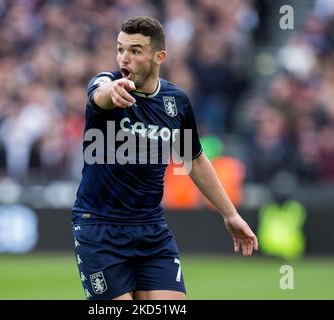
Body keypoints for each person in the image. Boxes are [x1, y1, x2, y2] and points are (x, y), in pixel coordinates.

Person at [72, 16, 258, 300]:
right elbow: (100, 95)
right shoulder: (106, 82)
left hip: (150, 229)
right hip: (99, 227)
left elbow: (193, 161)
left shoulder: (176, 102)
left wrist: (230, 214)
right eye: (120, 49)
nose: (125, 57)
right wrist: (113, 92)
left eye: (135, 50)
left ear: (159, 57)